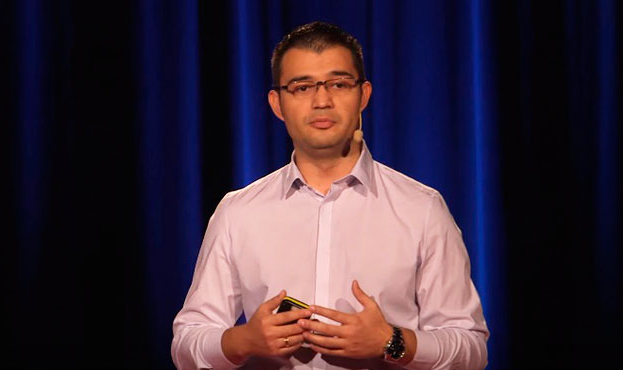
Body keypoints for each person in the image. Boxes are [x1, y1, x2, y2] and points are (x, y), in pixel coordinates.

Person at [171, 21, 489, 370]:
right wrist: (244, 341)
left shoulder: (422, 209)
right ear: (277, 103)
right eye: (302, 87)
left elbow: (470, 349)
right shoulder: (238, 213)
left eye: (339, 84)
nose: (322, 100)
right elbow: (188, 342)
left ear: (363, 95)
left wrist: (392, 341)